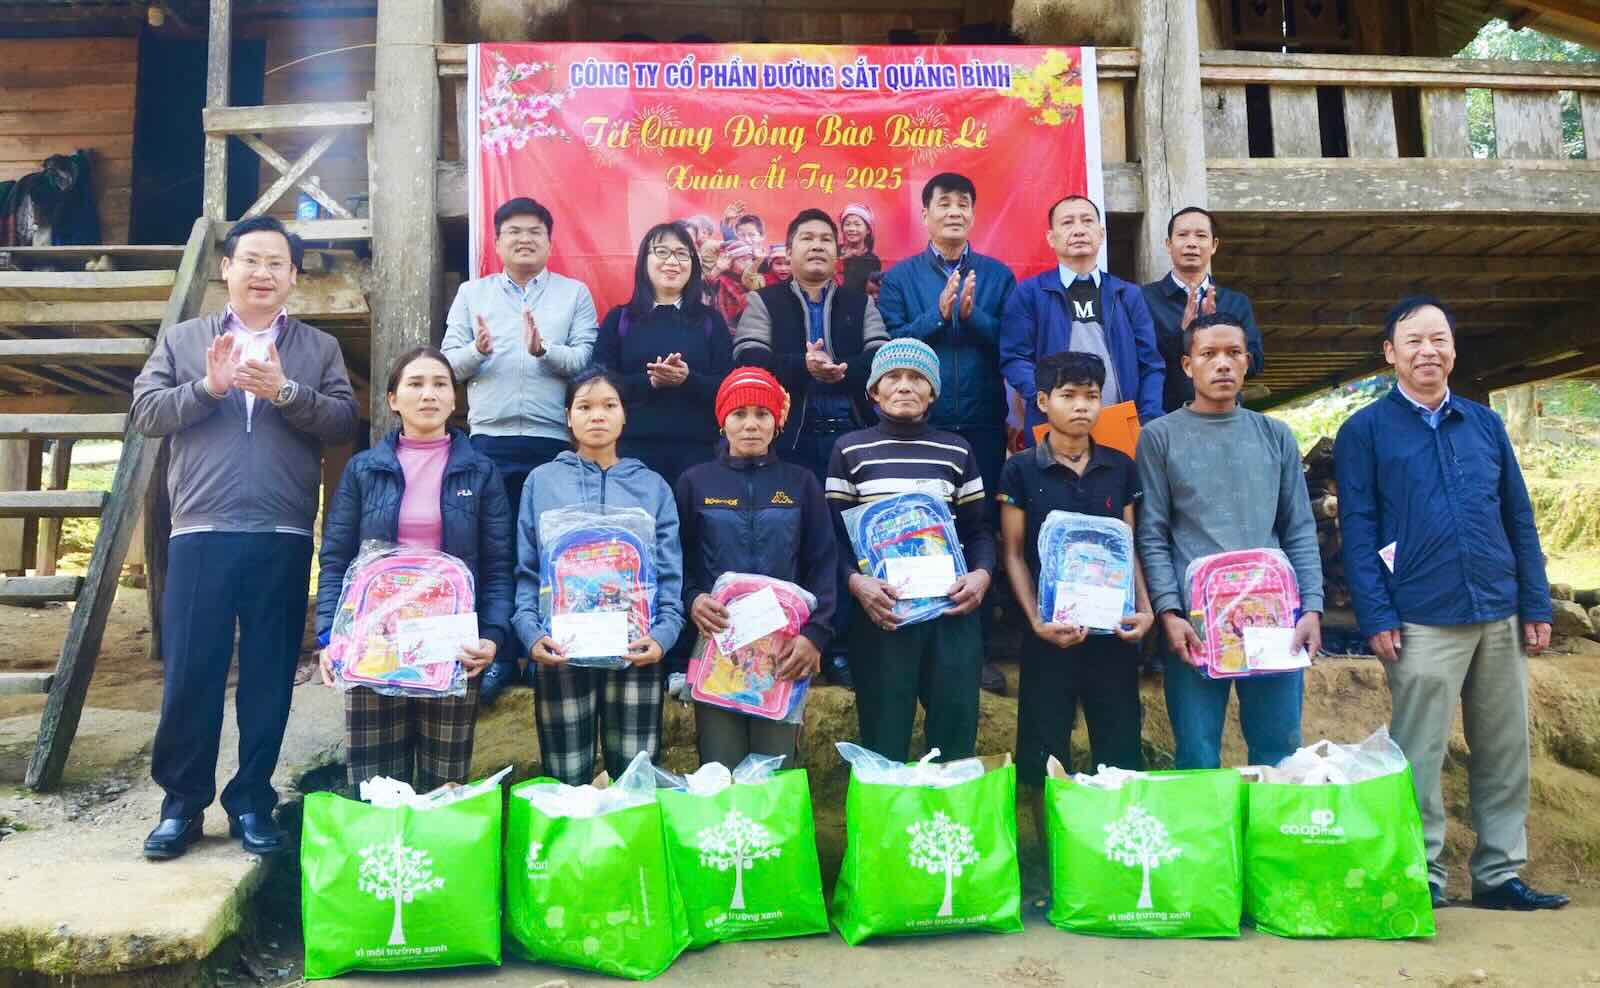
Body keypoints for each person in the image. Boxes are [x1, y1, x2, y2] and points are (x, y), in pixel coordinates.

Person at [130, 215, 359, 860]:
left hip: (283, 534)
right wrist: (210, 388)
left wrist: (287, 392)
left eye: (276, 264)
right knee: (192, 671)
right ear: (225, 269)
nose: (263, 273)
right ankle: (181, 804)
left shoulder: (317, 348)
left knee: (267, 675)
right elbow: (146, 412)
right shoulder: (184, 340)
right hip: (200, 531)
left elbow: (343, 420)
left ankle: (253, 799)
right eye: (250, 260)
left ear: (293, 277)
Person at [1334, 296, 1566, 912]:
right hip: (1420, 615)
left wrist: (1536, 603)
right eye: (1412, 342)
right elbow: (1357, 528)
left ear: (1454, 350)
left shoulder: (1483, 424)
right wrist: (1377, 615)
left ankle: (1498, 874)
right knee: (1420, 751)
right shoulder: (1365, 431)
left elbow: (1518, 516)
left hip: (1498, 607)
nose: (1427, 351)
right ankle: (1423, 875)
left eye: (1438, 340)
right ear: (1390, 354)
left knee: (1505, 748)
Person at [314, 346, 513, 791]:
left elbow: (499, 565)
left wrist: (493, 636)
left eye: (440, 384)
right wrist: (331, 636)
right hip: (374, 643)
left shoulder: (480, 472)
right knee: (376, 784)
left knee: (445, 784)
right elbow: (336, 561)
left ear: (454, 399)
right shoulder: (364, 470)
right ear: (392, 399)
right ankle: (383, 862)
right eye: (415, 384)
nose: (429, 394)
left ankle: (440, 862)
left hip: (452, 645)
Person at [1134, 312, 1323, 771]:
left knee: (1278, 748)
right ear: (1186, 365)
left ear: (1247, 362)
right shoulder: (1159, 437)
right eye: (1209, 354)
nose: (1222, 364)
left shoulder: (1274, 435)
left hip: (1273, 619)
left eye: (1233, 353)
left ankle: (1273, 843)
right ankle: (1209, 845)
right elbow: (1152, 532)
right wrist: (1168, 612)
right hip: (1196, 625)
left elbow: (1298, 526)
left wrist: (1312, 607)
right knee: (1197, 754)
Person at [440, 196, 598, 704]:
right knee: (496, 548)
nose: (524, 238)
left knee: (550, 550)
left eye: (534, 231)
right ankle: (500, 655)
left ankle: (546, 649)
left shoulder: (574, 295)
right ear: (498, 241)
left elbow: (585, 359)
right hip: (489, 438)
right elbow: (447, 364)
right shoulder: (472, 293)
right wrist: (478, 351)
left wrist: (544, 351)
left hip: (554, 440)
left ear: (550, 241)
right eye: (513, 231)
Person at [733, 207, 888, 686]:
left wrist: (842, 370)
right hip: (791, 440)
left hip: (850, 438)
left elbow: (882, 355)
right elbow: (747, 357)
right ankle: (786, 642)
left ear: (838, 253)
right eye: (807, 238)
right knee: (793, 542)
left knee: (846, 544)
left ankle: (837, 645)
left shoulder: (859, 304)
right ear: (790, 250)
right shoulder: (767, 301)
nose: (817, 245)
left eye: (826, 239)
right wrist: (802, 367)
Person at [512, 366, 685, 785]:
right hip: (561, 649)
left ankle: (631, 853)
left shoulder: (652, 486)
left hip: (635, 649)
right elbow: (526, 567)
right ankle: (570, 852)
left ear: (625, 416)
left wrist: (663, 636)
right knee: (566, 775)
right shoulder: (542, 481)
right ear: (568, 417)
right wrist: (531, 633)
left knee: (635, 778)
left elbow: (669, 570)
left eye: (609, 405)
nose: (597, 416)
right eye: (584, 407)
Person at [878, 173, 1016, 694]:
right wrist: (935, 318)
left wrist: (972, 315)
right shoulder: (900, 278)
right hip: (919, 425)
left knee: (975, 530)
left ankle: (971, 649)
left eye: (964, 203)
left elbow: (1011, 342)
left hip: (980, 422)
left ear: (973, 215)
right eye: (944, 203)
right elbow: (889, 345)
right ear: (926, 214)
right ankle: (914, 640)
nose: (954, 211)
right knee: (915, 530)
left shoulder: (997, 276)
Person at [826, 339, 994, 762]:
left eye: (917, 378)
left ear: (933, 392)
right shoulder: (850, 450)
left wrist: (982, 576)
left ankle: (947, 826)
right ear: (873, 391)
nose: (905, 386)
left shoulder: (956, 450)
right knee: (884, 736)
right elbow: (832, 536)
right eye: (893, 377)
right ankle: (887, 827)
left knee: (954, 733)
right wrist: (856, 583)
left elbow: (979, 532)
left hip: (950, 615)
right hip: (882, 615)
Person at [999, 351, 1153, 795]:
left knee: (1119, 747)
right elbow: (1012, 553)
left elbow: (1128, 545)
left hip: (1113, 634)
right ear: (1043, 401)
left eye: (1092, 395)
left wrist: (1143, 610)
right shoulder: (1021, 470)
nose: (1082, 406)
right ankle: (1049, 850)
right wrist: (1035, 622)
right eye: (1069, 395)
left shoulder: (1119, 466)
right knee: (1043, 751)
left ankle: (1112, 850)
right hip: (1050, 635)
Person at [676, 367, 837, 766]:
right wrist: (693, 599)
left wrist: (815, 637)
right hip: (717, 652)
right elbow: (676, 562)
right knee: (720, 768)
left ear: (776, 423)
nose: (750, 425)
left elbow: (824, 564)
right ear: (722, 421)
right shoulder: (695, 483)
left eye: (762, 414)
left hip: (784, 654)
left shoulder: (802, 483)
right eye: (739, 414)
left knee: (773, 771)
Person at [1000, 194, 1164, 441]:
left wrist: (1148, 418)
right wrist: (1048, 398)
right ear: (1051, 238)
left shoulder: (1127, 295)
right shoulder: (1029, 294)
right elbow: (1014, 358)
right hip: (1052, 429)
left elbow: (1151, 364)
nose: (1078, 230)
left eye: (1087, 221)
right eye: (1067, 223)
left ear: (1101, 233)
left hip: (1121, 426)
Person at [593, 222, 733, 488]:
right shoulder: (619, 319)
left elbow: (727, 386)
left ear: (693, 264)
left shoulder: (710, 321)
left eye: (682, 254)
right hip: (631, 452)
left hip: (699, 454)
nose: (672, 261)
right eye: (662, 252)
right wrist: (651, 382)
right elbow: (599, 386)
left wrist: (688, 379)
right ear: (644, 261)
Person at [1140, 206, 1264, 413]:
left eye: (1200, 235)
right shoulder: (1143, 299)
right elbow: (1140, 362)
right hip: (1166, 417)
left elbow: (1255, 362)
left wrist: (1218, 336)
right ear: (1168, 244)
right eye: (1182, 235)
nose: (1191, 243)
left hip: (1226, 415)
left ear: (1214, 245)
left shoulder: (1236, 302)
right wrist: (1183, 336)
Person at [836, 201, 881, 294]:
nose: (852, 229)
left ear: (868, 230)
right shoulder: (833, 250)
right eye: (847, 224)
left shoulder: (873, 261)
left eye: (857, 224)